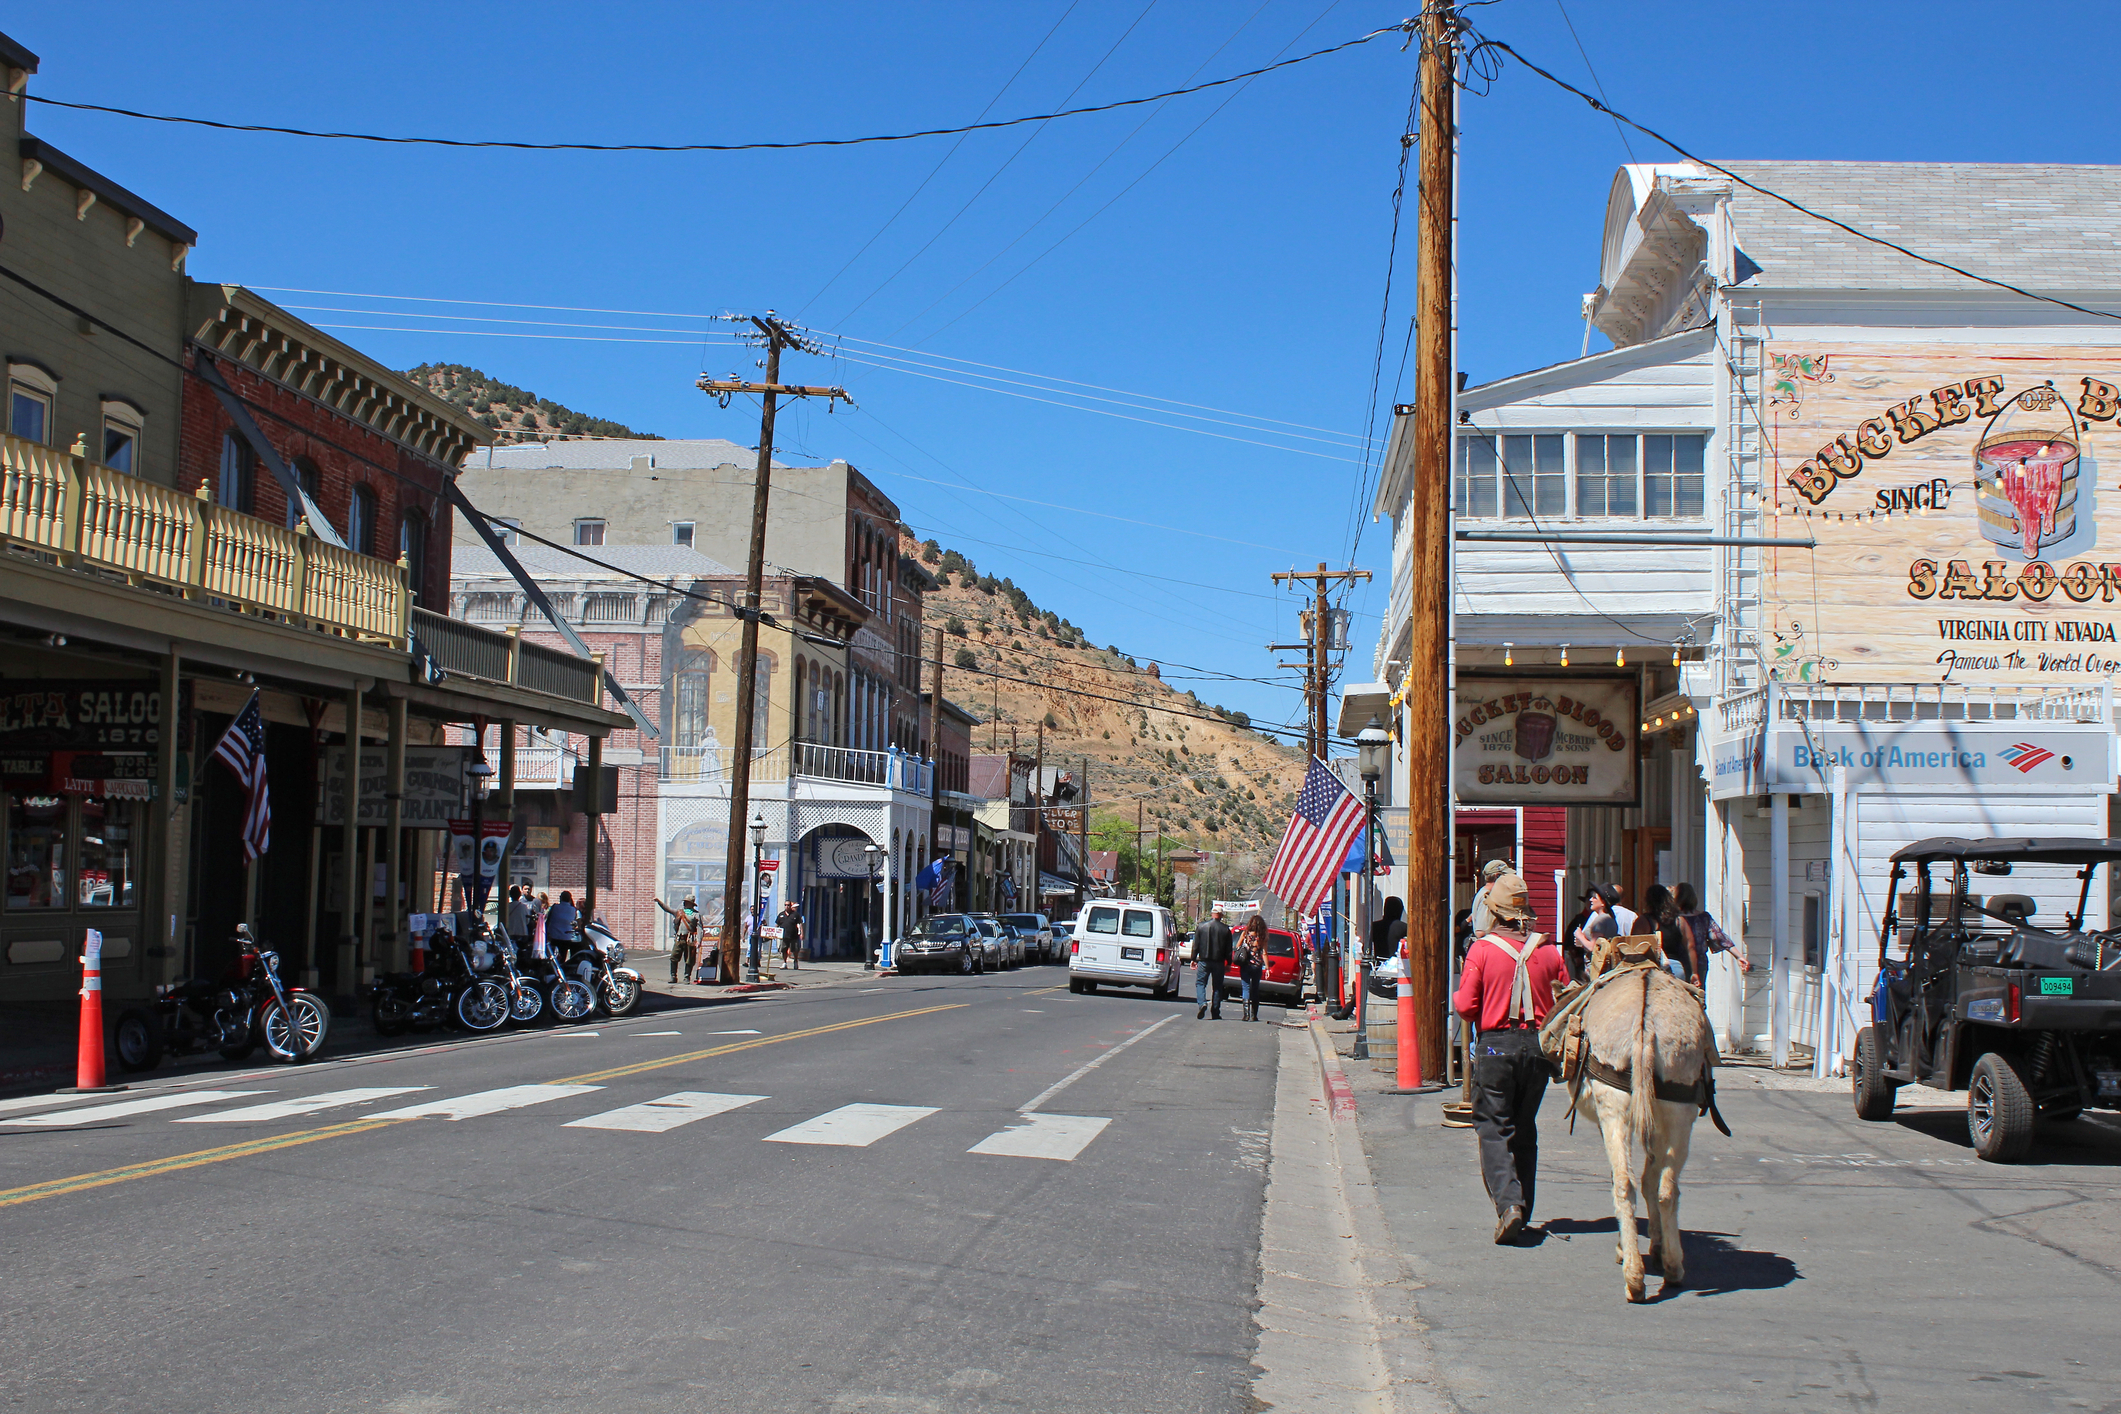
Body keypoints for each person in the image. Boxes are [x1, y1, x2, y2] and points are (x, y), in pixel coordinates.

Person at [1452, 872, 1567, 1246]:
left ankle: (1509, 1205)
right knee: (1524, 1127)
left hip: (1496, 1046)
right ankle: (1524, 1208)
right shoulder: (1550, 952)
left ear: (1494, 911)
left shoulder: (1482, 950)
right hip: (1537, 1049)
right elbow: (1564, 1002)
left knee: (1493, 1127)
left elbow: (1467, 1006)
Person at [1674, 881, 1747, 980]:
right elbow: (1720, 937)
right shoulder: (1704, 918)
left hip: (1677, 964)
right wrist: (1739, 956)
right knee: (1698, 993)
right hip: (1700, 963)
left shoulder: (1674, 919)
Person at [1193, 904, 1233, 1020]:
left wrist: (1193, 959)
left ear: (1212, 914)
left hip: (1204, 961)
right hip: (1219, 962)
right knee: (1217, 987)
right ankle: (1215, 1012)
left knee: (1200, 983)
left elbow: (1196, 945)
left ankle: (1202, 1003)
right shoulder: (1225, 929)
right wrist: (1229, 963)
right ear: (1221, 915)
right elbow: (1228, 949)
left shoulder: (1201, 926)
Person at [656, 895, 701, 984]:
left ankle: (687, 977)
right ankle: (673, 976)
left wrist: (699, 940)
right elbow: (667, 909)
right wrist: (659, 902)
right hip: (679, 938)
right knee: (674, 957)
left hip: (689, 939)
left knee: (689, 960)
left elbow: (700, 928)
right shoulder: (679, 912)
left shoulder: (696, 915)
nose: (684, 903)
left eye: (687, 902)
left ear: (691, 904)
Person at [1234, 915, 1268, 1022]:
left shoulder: (1246, 934)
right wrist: (1267, 968)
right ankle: (1254, 1015)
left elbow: (1237, 946)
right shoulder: (1263, 936)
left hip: (1246, 964)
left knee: (1245, 988)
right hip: (1257, 966)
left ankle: (1246, 1014)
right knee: (1255, 988)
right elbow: (1265, 953)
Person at [1466, 859, 1510, 934]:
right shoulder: (1487, 896)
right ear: (1497, 876)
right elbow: (1481, 932)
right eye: (1505, 875)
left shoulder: (1489, 893)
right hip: (1488, 944)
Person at [777, 900, 803, 970]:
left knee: (795, 950)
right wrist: (774, 933)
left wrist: (801, 934)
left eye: (788, 905)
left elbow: (800, 924)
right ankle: (784, 963)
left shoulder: (795, 915)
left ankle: (795, 961)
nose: (787, 906)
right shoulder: (781, 915)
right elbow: (777, 924)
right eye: (785, 905)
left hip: (793, 935)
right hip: (784, 935)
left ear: (790, 906)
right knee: (784, 949)